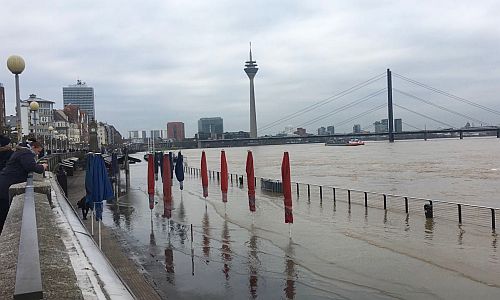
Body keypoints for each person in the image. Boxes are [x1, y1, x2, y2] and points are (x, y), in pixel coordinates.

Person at [0, 140, 48, 234]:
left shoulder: (22, 151)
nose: (38, 154)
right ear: (34, 147)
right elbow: (31, 167)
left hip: (5, 183)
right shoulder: (26, 153)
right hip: (6, 186)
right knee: (4, 212)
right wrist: (42, 167)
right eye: (38, 151)